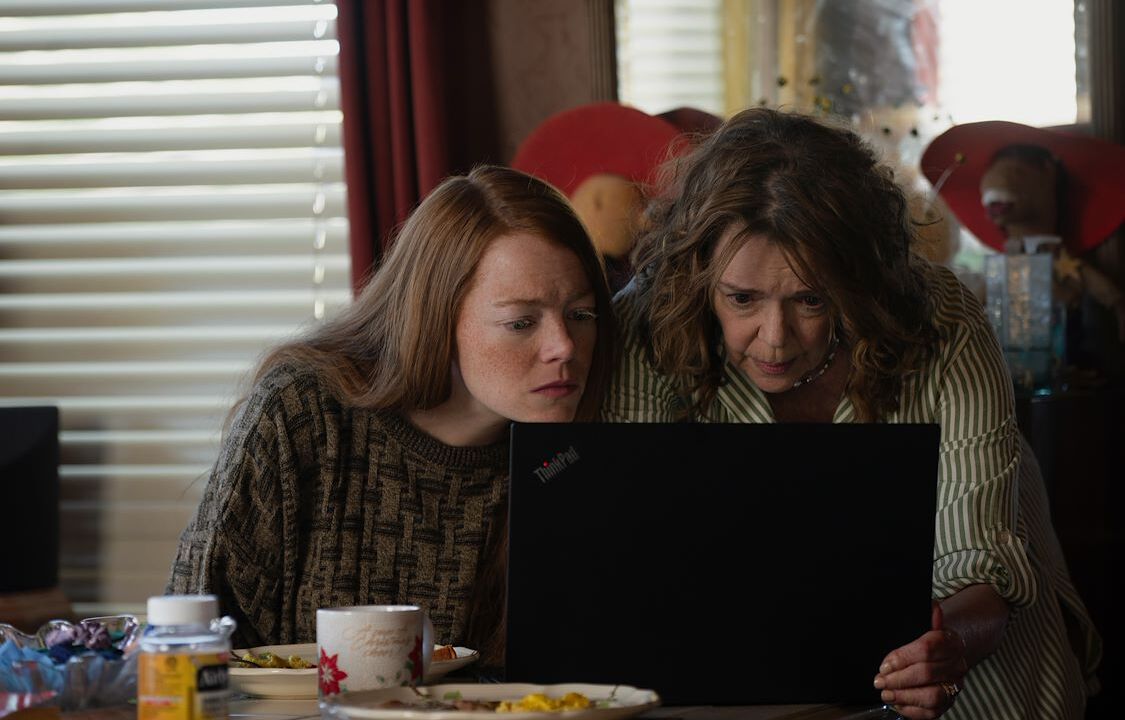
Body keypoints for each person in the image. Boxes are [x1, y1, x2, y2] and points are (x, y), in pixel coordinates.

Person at [603, 108, 1100, 719]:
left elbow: (979, 563)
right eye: (742, 298)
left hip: (982, 683)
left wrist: (948, 647)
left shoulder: (940, 321)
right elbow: (637, 552)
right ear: (701, 277)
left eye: (811, 299)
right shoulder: (648, 324)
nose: (775, 339)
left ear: (858, 282)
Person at [167, 165, 616, 666]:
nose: (564, 346)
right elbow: (189, 637)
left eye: (580, 314)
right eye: (521, 322)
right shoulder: (303, 415)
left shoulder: (576, 454)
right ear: (437, 317)